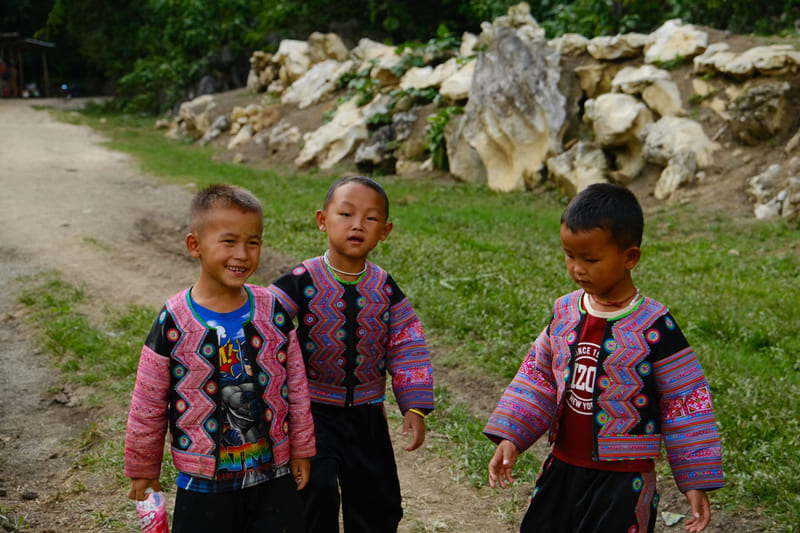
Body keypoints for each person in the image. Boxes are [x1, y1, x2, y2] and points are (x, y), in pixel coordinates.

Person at [484, 183, 724, 533]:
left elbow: (686, 401)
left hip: (623, 484)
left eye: (590, 259)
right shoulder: (565, 312)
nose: (577, 268)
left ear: (630, 257)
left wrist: (694, 480)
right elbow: (539, 377)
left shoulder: (656, 327)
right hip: (562, 469)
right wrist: (512, 436)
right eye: (569, 255)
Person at [124, 184, 316, 533]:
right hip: (203, 484)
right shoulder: (174, 321)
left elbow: (297, 388)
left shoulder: (273, 312)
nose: (242, 254)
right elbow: (148, 402)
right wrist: (143, 469)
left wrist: (301, 448)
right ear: (194, 245)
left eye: (253, 242)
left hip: (273, 474)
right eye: (229, 242)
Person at [268, 175, 434, 533]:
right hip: (311, 415)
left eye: (371, 218)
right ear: (322, 220)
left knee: (377, 501)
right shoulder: (302, 279)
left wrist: (415, 405)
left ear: (385, 231)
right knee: (314, 492)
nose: (358, 224)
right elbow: (265, 328)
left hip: (367, 416)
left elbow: (407, 345)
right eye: (346, 214)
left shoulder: (384, 287)